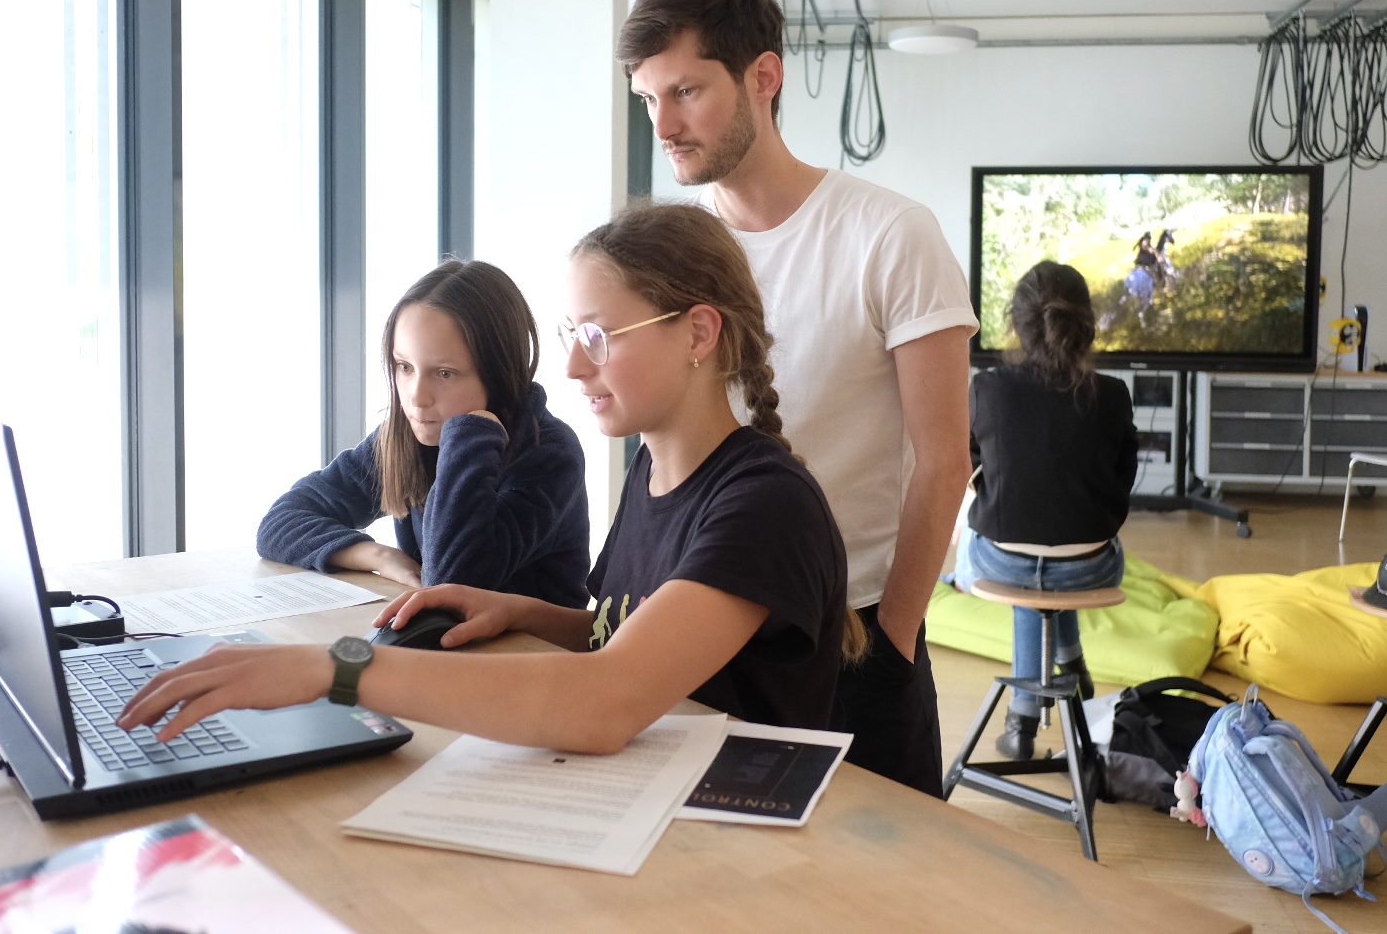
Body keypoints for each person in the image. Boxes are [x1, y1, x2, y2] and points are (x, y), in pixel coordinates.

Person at [119, 204, 852, 751]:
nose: (570, 366)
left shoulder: (763, 505)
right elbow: (624, 634)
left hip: (733, 846)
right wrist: (523, 612)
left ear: (697, 333)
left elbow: (605, 699)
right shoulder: (653, 470)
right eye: (570, 337)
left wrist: (332, 668)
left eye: (596, 337)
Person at [617, 0, 976, 796]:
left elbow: (943, 461)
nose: (663, 125)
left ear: (763, 78)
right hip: (695, 616)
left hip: (850, 632)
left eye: (685, 92)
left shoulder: (889, 234)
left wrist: (891, 641)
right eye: (646, 100)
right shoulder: (671, 251)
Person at [255, 259, 590, 608]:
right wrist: (377, 556)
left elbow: (454, 581)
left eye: (445, 373)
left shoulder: (548, 453)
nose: (416, 397)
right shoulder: (409, 436)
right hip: (450, 652)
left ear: (500, 373)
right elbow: (280, 522)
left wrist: (471, 433)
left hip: (538, 655)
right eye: (404, 367)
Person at [950, 261, 1138, 761]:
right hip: (1093, 566)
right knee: (1053, 571)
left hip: (1002, 562)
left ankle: (1023, 718)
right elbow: (1123, 484)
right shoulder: (1114, 394)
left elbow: (970, 470)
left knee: (1022, 570)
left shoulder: (986, 389)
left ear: (1017, 323)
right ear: (1086, 323)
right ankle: (1071, 663)